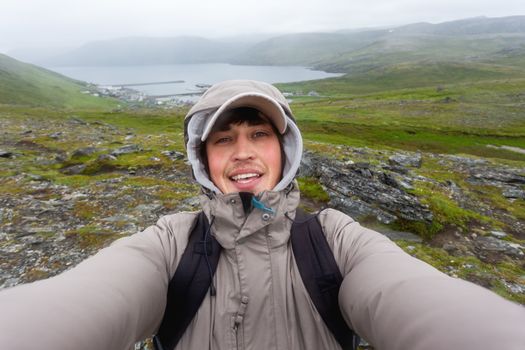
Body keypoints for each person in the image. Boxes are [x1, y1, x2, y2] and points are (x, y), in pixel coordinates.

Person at [0, 79, 524, 350]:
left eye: (259, 134)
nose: (243, 151)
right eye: (223, 139)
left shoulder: (334, 240)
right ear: (202, 159)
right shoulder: (169, 244)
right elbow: (87, 301)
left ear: (285, 148)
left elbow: (414, 299)